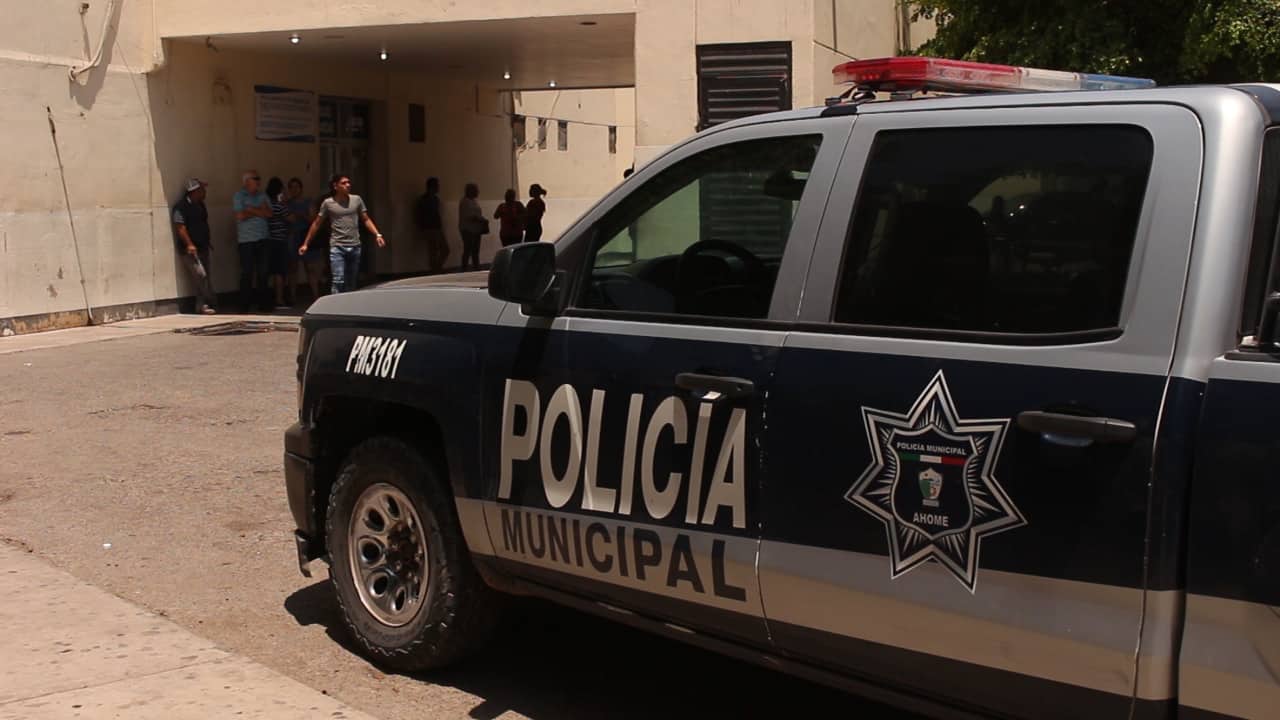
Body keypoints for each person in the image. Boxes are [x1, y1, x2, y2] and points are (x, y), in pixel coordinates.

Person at [299, 174, 386, 294]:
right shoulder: (328, 203)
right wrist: (306, 244)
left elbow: (366, 219)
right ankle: (335, 302)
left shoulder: (356, 200)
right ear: (336, 186)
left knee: (351, 280)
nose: (348, 185)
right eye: (344, 183)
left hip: (355, 245)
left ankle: (349, 303)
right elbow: (317, 223)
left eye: (349, 182)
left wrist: (377, 234)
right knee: (338, 279)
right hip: (337, 246)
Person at [172, 177, 217, 315]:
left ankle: (205, 303)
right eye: (202, 190)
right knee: (200, 275)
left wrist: (208, 241)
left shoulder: (201, 205)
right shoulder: (181, 207)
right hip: (190, 250)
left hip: (203, 247)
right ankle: (204, 303)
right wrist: (190, 244)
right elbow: (180, 227)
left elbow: (203, 224)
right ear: (194, 191)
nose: (204, 192)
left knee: (206, 276)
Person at [232, 170, 272, 312]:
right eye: (256, 178)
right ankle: (244, 305)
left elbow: (269, 213)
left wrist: (251, 210)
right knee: (247, 272)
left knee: (263, 273)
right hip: (246, 240)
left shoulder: (263, 195)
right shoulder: (239, 196)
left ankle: (264, 304)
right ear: (247, 181)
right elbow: (240, 216)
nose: (259, 181)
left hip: (263, 238)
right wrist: (259, 211)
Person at [286, 178, 322, 302]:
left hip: (306, 236)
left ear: (301, 188)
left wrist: (302, 216)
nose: (294, 189)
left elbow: (314, 220)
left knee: (310, 267)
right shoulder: (287, 204)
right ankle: (292, 296)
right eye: (291, 187)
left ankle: (315, 296)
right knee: (293, 268)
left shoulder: (308, 202)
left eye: (296, 187)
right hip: (293, 237)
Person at [264, 177, 293, 310]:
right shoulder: (279, 205)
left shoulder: (266, 204)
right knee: (279, 271)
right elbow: (291, 218)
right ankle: (279, 299)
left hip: (268, 239)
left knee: (271, 270)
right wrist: (286, 201)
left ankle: (271, 298)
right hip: (279, 241)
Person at [414, 177, 448, 273]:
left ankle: (436, 268)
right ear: (432, 187)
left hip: (436, 227)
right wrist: (422, 227)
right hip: (429, 228)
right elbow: (420, 215)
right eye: (437, 185)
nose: (439, 187)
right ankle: (435, 270)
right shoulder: (424, 200)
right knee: (434, 250)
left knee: (443, 249)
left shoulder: (435, 199)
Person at [458, 183, 485, 270]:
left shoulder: (474, 201)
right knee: (468, 250)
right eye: (476, 190)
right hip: (468, 229)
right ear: (470, 191)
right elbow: (468, 216)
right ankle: (464, 268)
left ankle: (476, 267)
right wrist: (480, 219)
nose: (478, 192)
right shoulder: (465, 202)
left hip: (476, 230)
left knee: (475, 251)